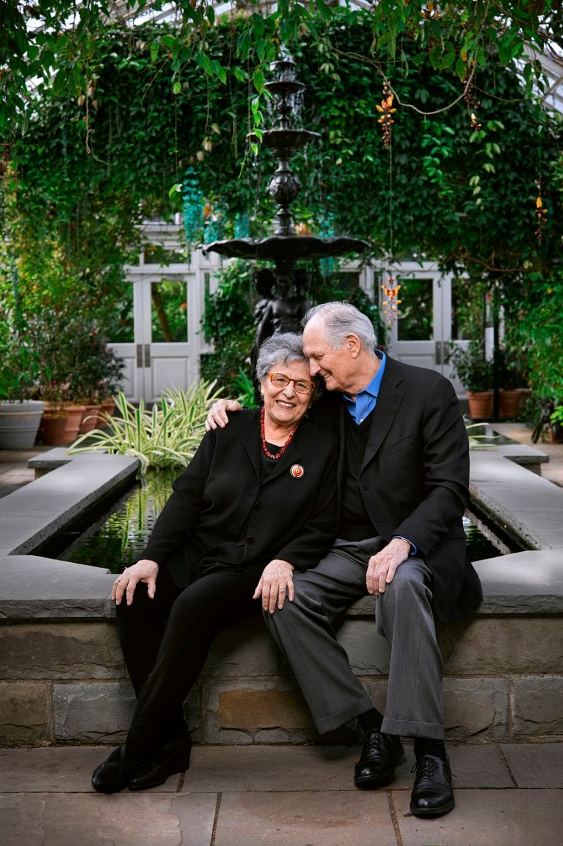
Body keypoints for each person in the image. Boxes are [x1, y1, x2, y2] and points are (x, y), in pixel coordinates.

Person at [207, 301, 482, 818]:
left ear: (351, 346)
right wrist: (231, 414)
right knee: (283, 600)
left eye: (316, 357)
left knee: (403, 586)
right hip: (344, 548)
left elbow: (450, 489)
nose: (311, 370)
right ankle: (373, 729)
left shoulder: (428, 392)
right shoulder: (328, 398)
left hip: (411, 546)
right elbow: (278, 409)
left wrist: (403, 544)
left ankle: (430, 752)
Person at [91, 332, 338, 794]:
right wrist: (150, 558)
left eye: (302, 385)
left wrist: (287, 560)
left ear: (313, 393)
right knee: (134, 599)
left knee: (193, 604)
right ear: (262, 382)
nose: (289, 392)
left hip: (252, 569)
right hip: (198, 552)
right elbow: (186, 497)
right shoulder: (229, 426)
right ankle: (171, 740)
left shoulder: (324, 444)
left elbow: (323, 524)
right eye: (279, 380)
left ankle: (136, 748)